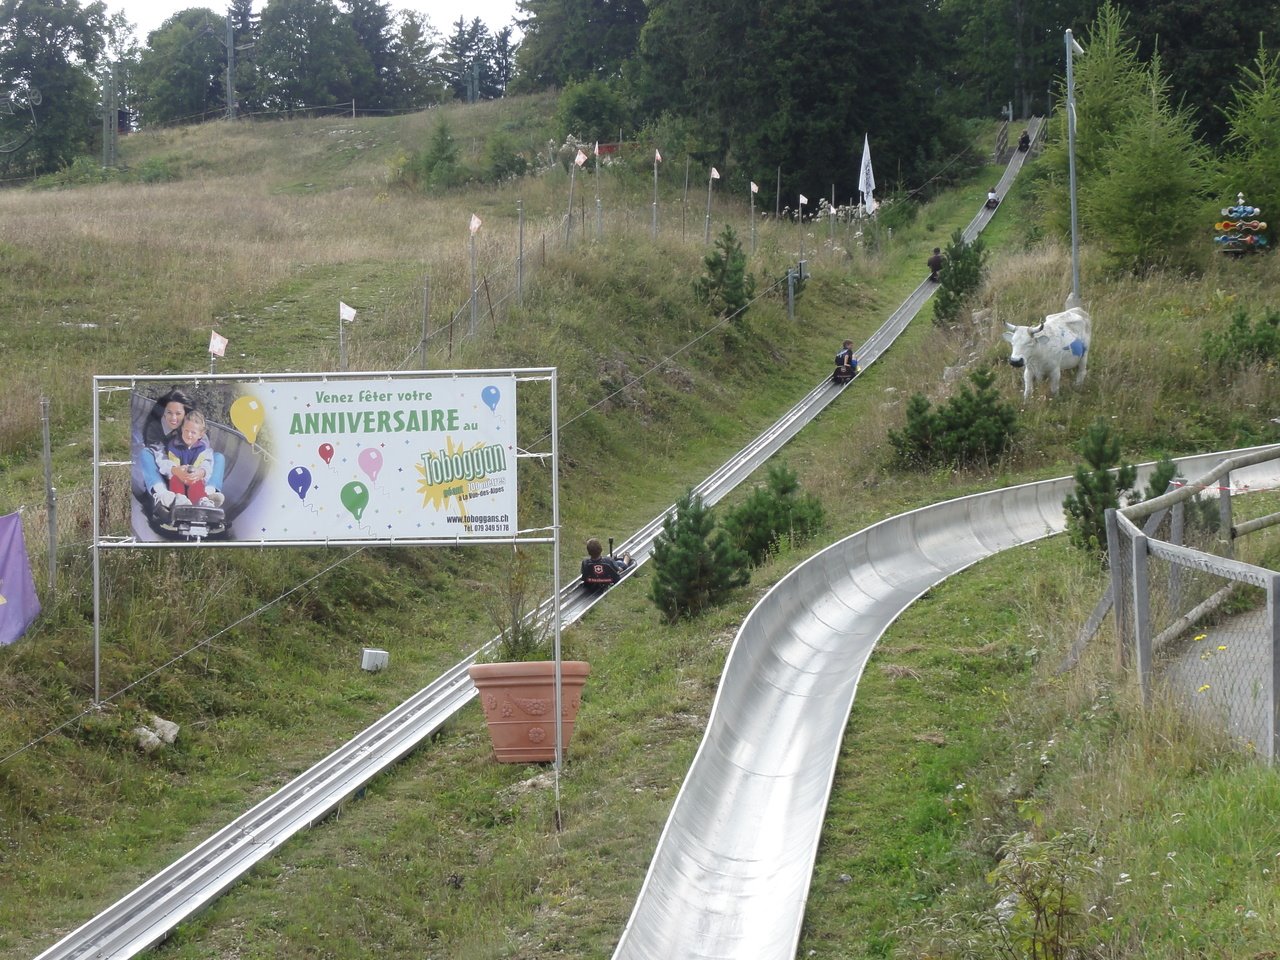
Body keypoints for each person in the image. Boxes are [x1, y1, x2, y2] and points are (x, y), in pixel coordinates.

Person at [136, 388, 226, 518]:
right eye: (169, 413)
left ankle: (207, 496)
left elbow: (205, 458)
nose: (173, 418)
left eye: (178, 413)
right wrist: (175, 470)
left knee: (218, 457)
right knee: (146, 453)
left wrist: (200, 472)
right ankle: (162, 494)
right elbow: (160, 457)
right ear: (163, 413)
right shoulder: (155, 428)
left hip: (195, 480)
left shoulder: (194, 428)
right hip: (168, 477)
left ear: (185, 413)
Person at [158, 410, 224, 508]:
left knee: (198, 482)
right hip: (179, 477)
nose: (189, 435)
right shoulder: (174, 446)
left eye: (193, 432)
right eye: (186, 431)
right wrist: (181, 471)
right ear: (182, 429)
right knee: (175, 479)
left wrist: (199, 472)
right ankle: (180, 499)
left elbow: (205, 465)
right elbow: (173, 465)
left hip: (194, 478)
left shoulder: (204, 449)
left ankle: (201, 500)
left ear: (200, 435)